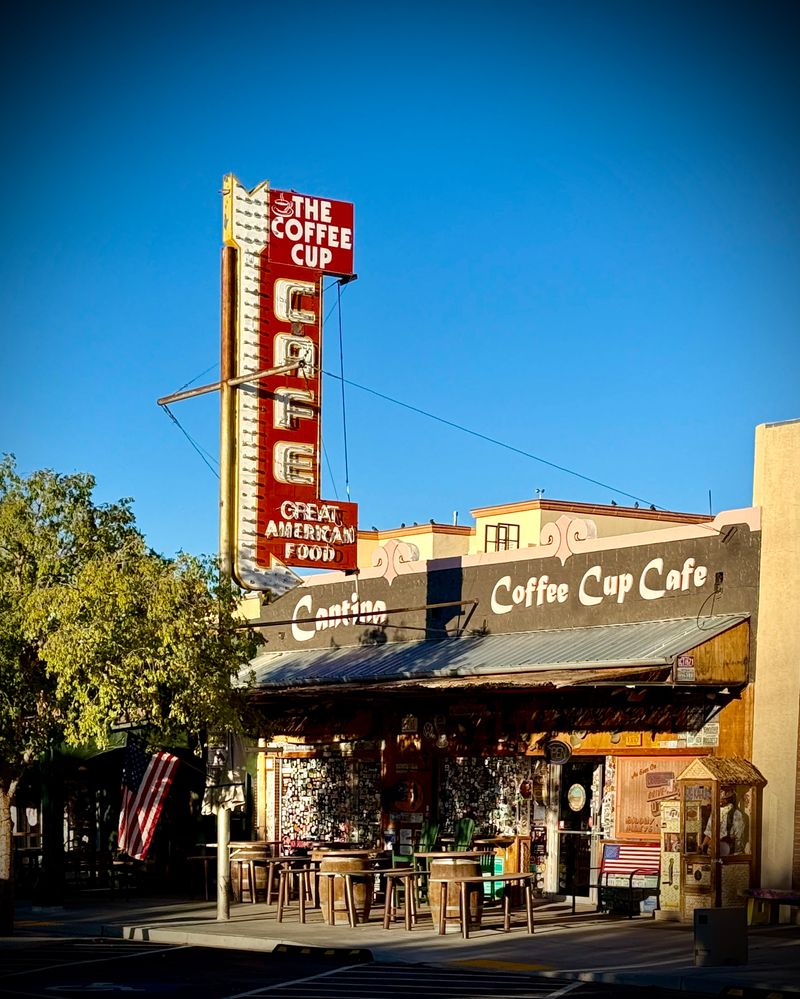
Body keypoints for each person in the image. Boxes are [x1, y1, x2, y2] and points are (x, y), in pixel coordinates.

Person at [701, 787, 746, 855]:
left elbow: (738, 838)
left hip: (728, 851)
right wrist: (703, 845)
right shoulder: (714, 812)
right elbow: (709, 832)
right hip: (713, 850)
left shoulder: (736, 814)